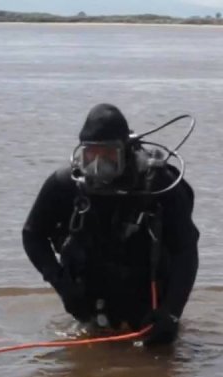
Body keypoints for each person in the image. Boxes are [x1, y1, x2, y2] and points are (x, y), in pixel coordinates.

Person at [22, 103, 200, 345]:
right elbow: (32, 234)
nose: (98, 165)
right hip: (89, 306)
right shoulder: (65, 185)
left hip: (148, 307)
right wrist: (61, 284)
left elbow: (185, 252)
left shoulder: (159, 185)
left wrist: (171, 312)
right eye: (90, 155)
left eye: (108, 155)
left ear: (125, 152)